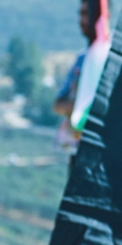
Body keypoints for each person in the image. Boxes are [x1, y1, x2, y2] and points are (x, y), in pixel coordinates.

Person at [54, 0, 105, 155]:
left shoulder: (111, 61)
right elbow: (58, 104)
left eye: (86, 14)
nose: (81, 21)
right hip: (77, 148)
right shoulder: (82, 59)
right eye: (80, 14)